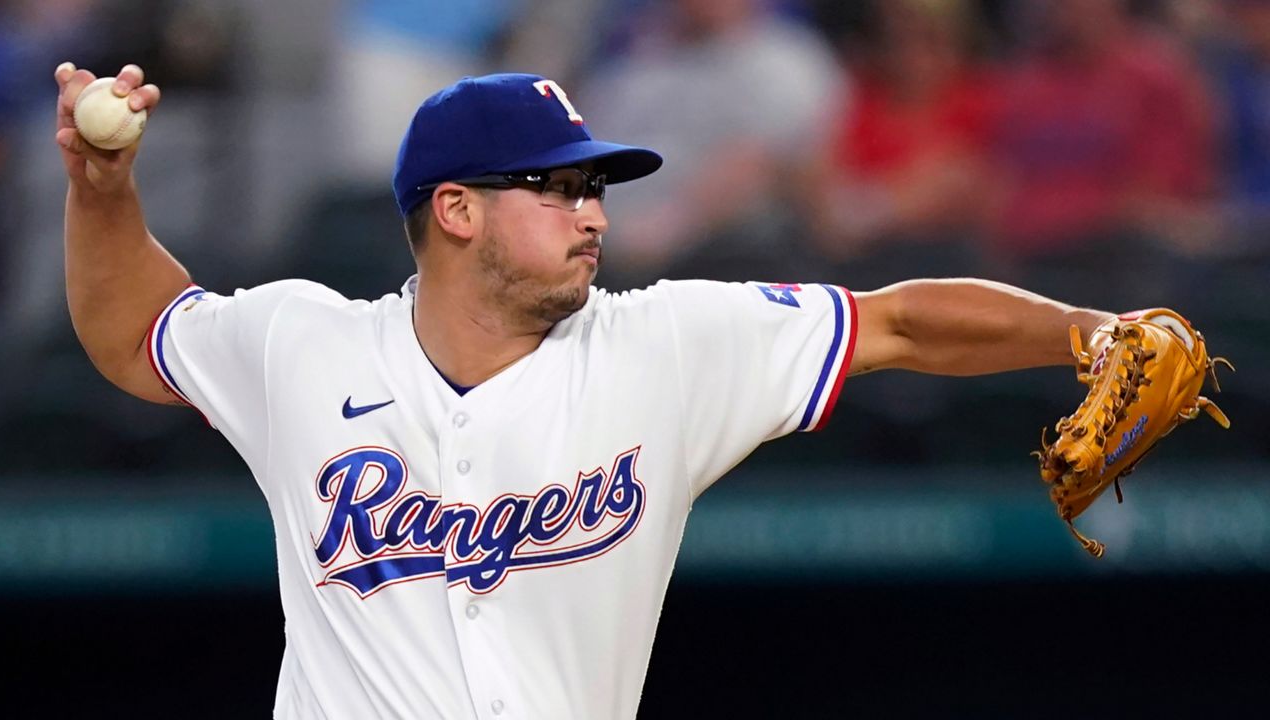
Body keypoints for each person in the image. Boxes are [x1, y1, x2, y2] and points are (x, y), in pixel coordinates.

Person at [56, 62, 1114, 719]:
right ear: (458, 211)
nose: (592, 214)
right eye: (558, 188)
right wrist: (103, 193)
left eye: (594, 190)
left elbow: (895, 320)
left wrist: (1086, 332)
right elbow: (134, 333)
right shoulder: (304, 343)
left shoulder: (669, 343)